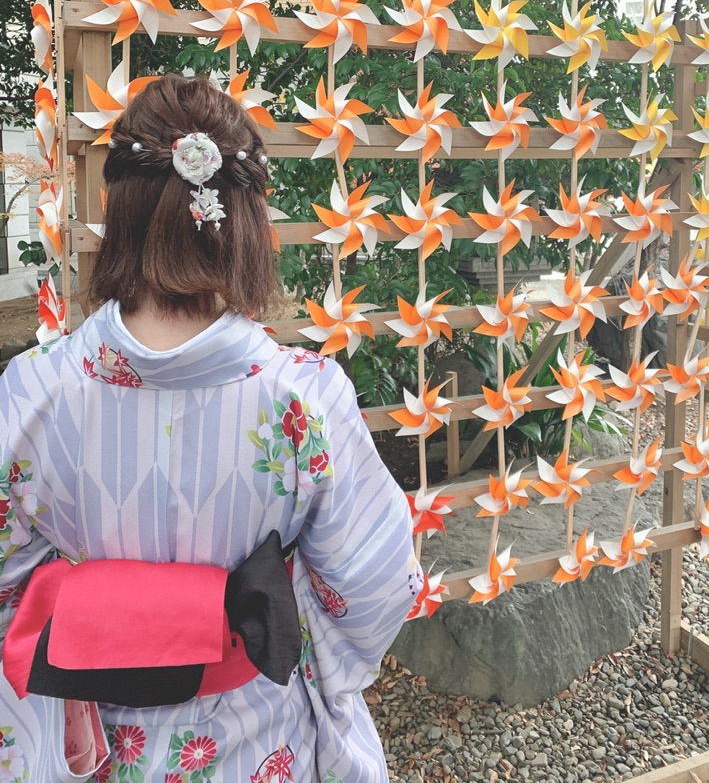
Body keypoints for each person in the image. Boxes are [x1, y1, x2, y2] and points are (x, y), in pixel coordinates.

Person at [0, 74, 421, 783]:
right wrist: (268, 626)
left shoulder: (32, 390)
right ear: (248, 218)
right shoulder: (303, 397)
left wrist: (93, 612)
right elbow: (374, 585)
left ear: (117, 211)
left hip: (87, 743)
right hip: (257, 740)